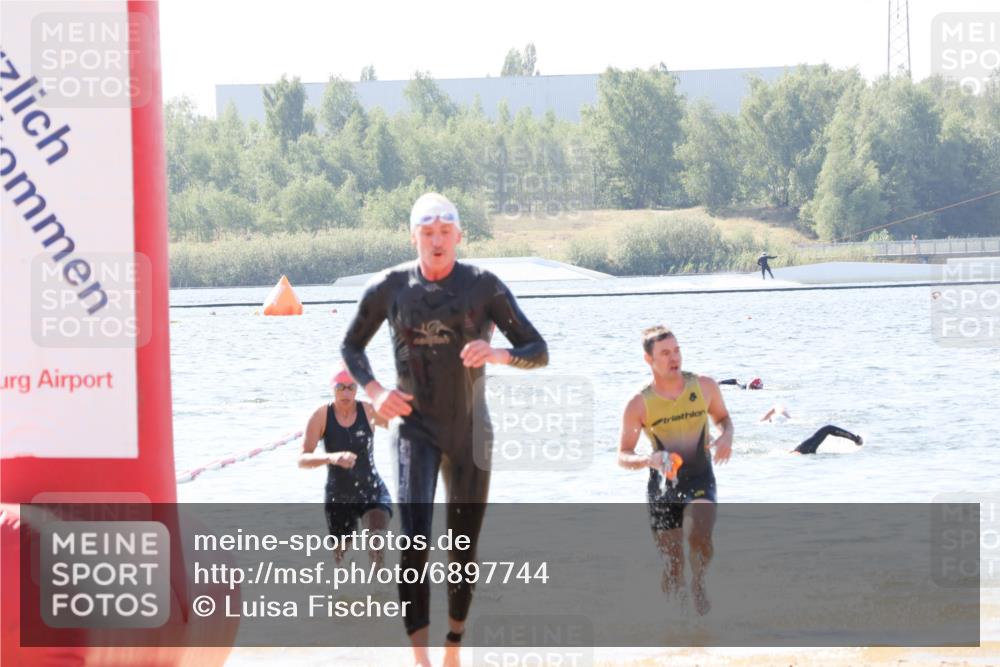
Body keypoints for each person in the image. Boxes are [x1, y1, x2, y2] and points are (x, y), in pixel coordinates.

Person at [340, 192, 548, 667]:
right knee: (413, 542)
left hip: (472, 432)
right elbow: (351, 347)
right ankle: (421, 659)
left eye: (444, 232)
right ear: (413, 236)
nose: (436, 241)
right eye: (427, 233)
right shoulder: (388, 288)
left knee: (462, 545)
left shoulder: (483, 286)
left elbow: (537, 349)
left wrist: (498, 354)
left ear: (459, 235)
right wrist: (374, 391)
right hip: (416, 430)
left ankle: (454, 643)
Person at [617, 326, 734, 616]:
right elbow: (623, 455)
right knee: (673, 565)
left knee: (700, 536)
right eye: (665, 353)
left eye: (677, 350)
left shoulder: (704, 386)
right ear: (649, 360)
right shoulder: (638, 403)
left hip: (699, 478)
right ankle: (673, 628)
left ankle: (700, 582)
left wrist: (726, 437)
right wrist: (649, 460)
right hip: (663, 488)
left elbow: (723, 418)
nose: (674, 358)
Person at [299, 367, 391, 565]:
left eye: (351, 387)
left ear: (357, 389)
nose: (346, 393)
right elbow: (303, 459)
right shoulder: (321, 416)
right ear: (333, 388)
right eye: (340, 387)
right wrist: (332, 458)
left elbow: (401, 425)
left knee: (376, 541)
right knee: (343, 563)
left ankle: (380, 593)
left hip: (371, 489)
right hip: (339, 495)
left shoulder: (368, 411)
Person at [790, 425, 862, 454]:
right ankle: (856, 439)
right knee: (827, 429)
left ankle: (856, 439)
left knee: (827, 429)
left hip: (803, 450)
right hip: (802, 450)